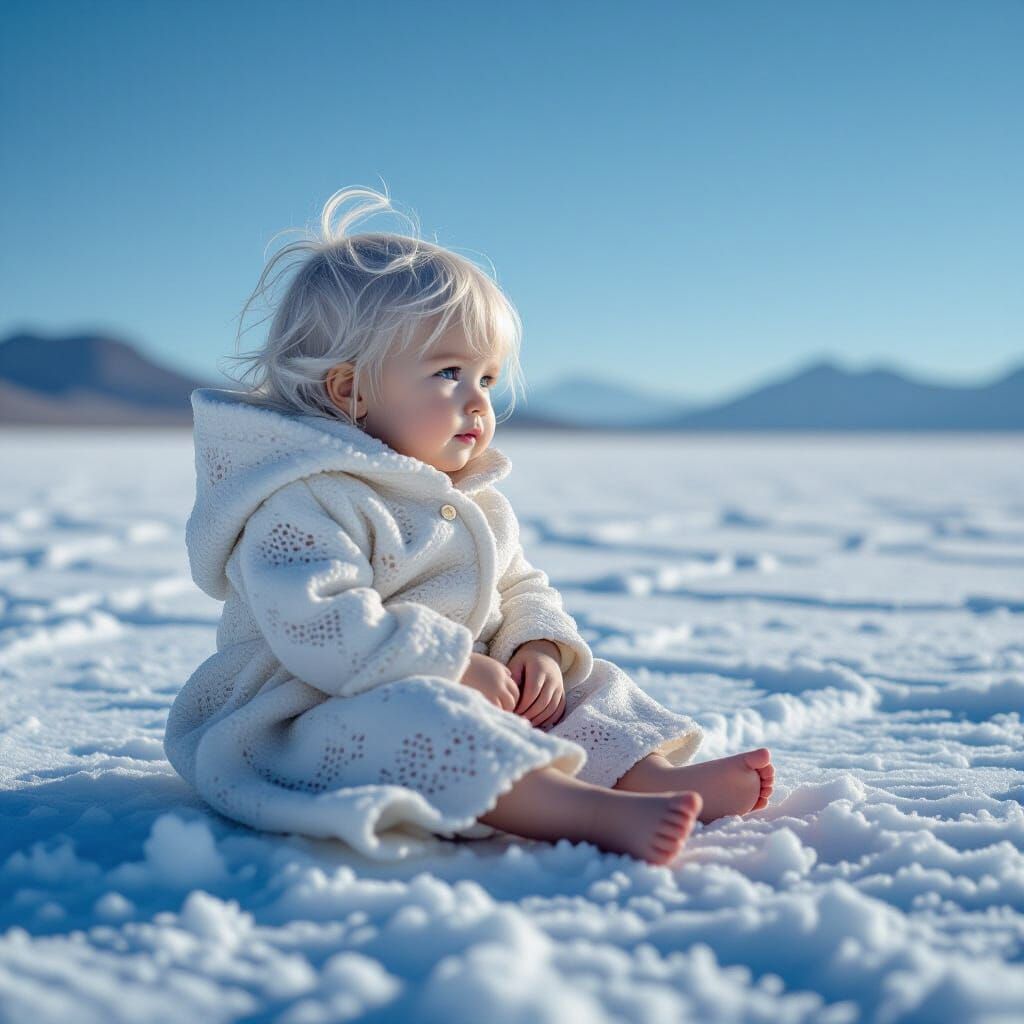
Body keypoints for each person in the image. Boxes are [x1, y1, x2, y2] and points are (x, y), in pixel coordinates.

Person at [164, 186, 774, 866]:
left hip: (469, 685)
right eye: (448, 372)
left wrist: (536, 646)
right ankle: (578, 809)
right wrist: (452, 666)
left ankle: (647, 777)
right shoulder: (304, 501)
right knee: (423, 720)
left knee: (584, 685)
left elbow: (520, 585)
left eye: (486, 377)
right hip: (305, 715)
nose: (477, 401)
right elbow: (320, 626)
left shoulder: (470, 500)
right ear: (351, 390)